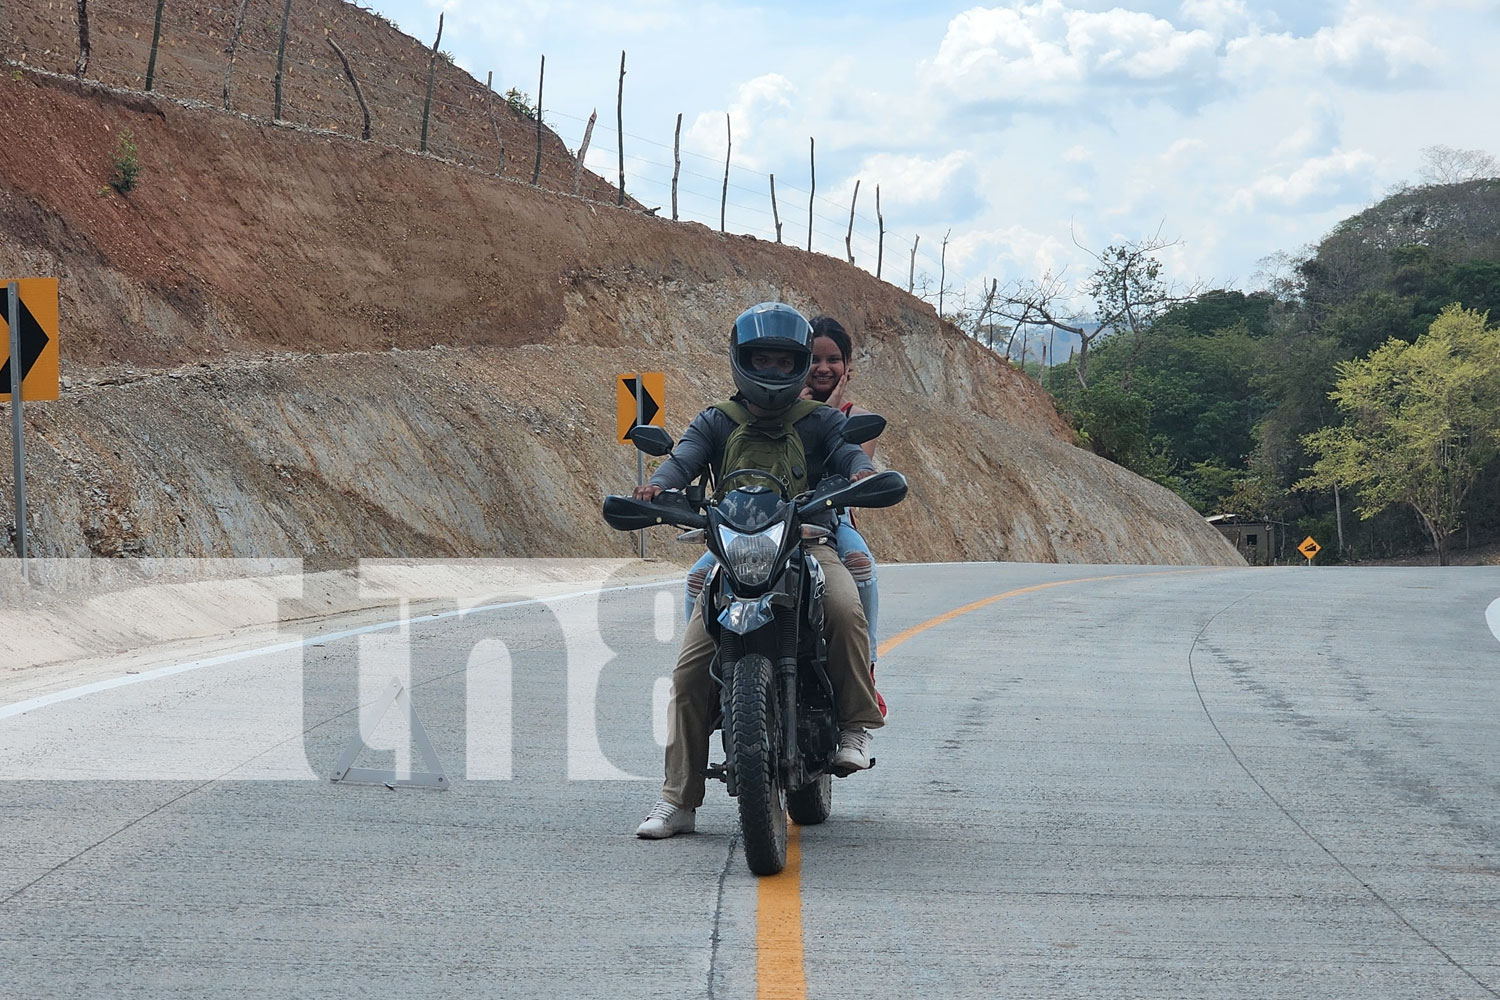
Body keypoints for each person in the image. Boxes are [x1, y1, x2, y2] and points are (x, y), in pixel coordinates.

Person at [635, 302, 885, 840]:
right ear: (740, 360)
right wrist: (659, 485)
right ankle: (677, 800)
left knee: (844, 607)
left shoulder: (820, 421)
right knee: (687, 672)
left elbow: (848, 456)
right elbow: (683, 457)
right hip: (734, 553)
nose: (772, 371)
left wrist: (862, 471)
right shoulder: (716, 420)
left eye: (782, 361)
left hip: (807, 545)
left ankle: (857, 724)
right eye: (761, 360)